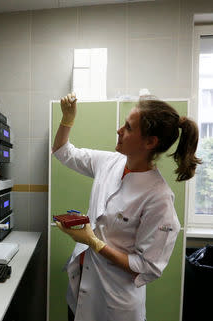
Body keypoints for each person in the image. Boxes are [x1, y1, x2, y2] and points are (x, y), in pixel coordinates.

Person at [52, 93, 201, 321]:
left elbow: (146, 267)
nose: (119, 130)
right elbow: (63, 152)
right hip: (82, 290)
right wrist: (67, 120)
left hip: (115, 305)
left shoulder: (158, 198)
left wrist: (94, 242)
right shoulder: (110, 163)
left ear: (150, 142)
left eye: (129, 128)